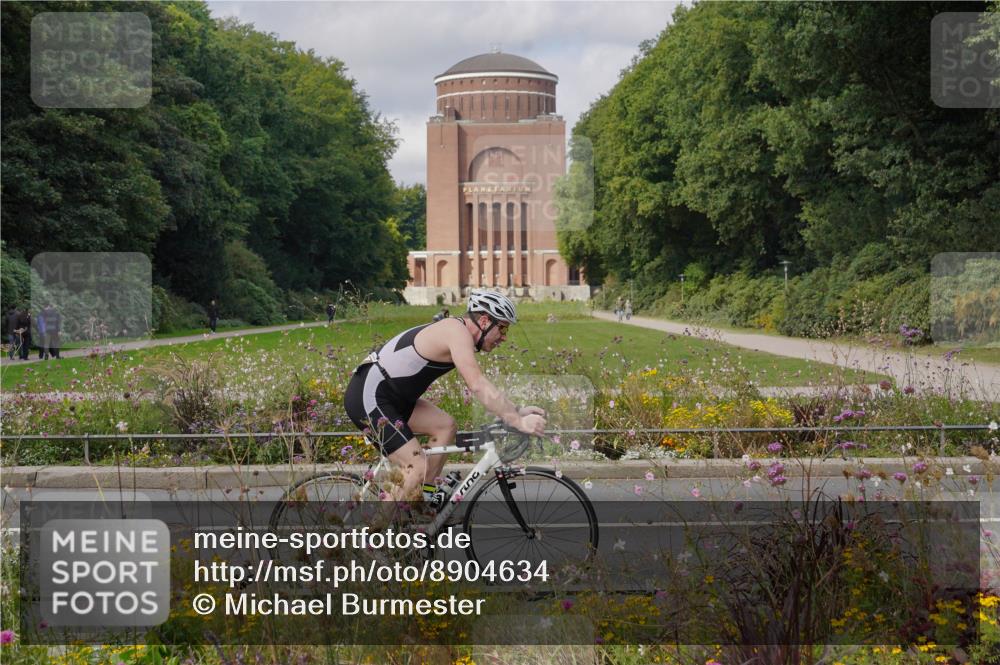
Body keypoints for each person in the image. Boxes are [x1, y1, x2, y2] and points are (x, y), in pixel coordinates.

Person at [343, 289, 546, 502]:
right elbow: (477, 384)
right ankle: (376, 532)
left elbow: (483, 385)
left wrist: (514, 412)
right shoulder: (455, 331)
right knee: (416, 466)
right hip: (370, 395)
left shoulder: (458, 333)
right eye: (503, 328)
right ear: (485, 321)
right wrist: (519, 422)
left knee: (445, 426)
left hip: (395, 398)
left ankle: (422, 502)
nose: (504, 337)